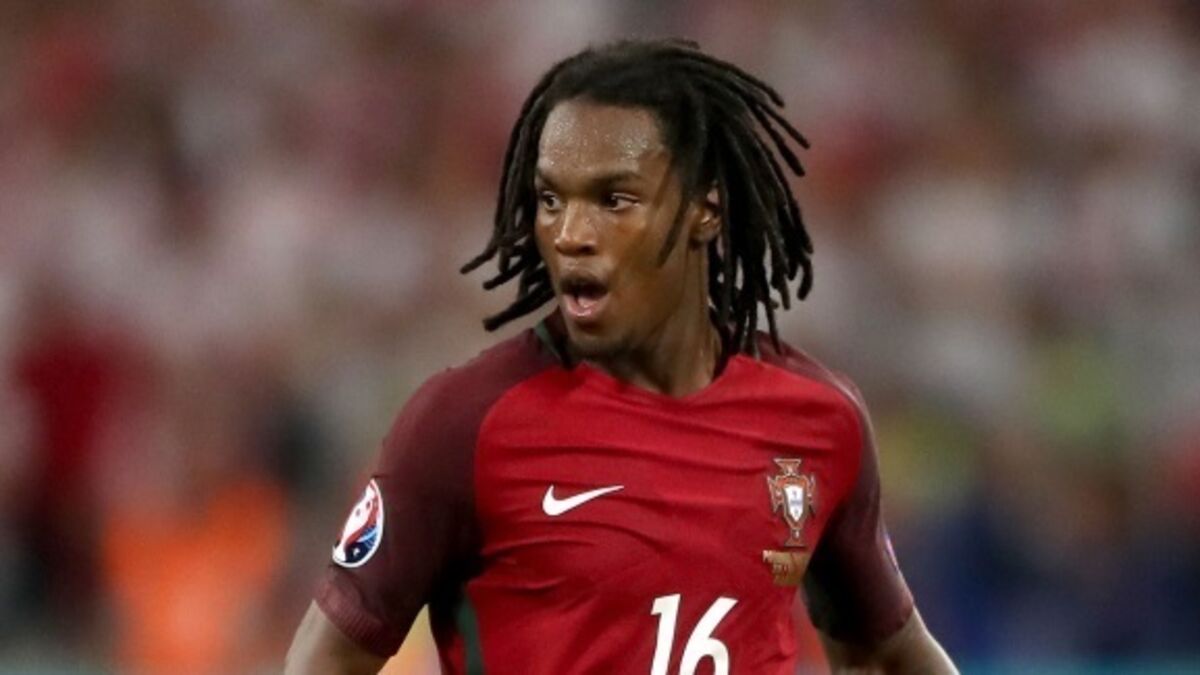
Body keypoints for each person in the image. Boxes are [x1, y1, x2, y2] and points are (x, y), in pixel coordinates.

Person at [286, 39, 957, 674]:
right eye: (552, 199)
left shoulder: (818, 419)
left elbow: (889, 656)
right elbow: (330, 659)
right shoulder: (464, 423)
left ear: (704, 210)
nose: (571, 234)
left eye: (614, 200)